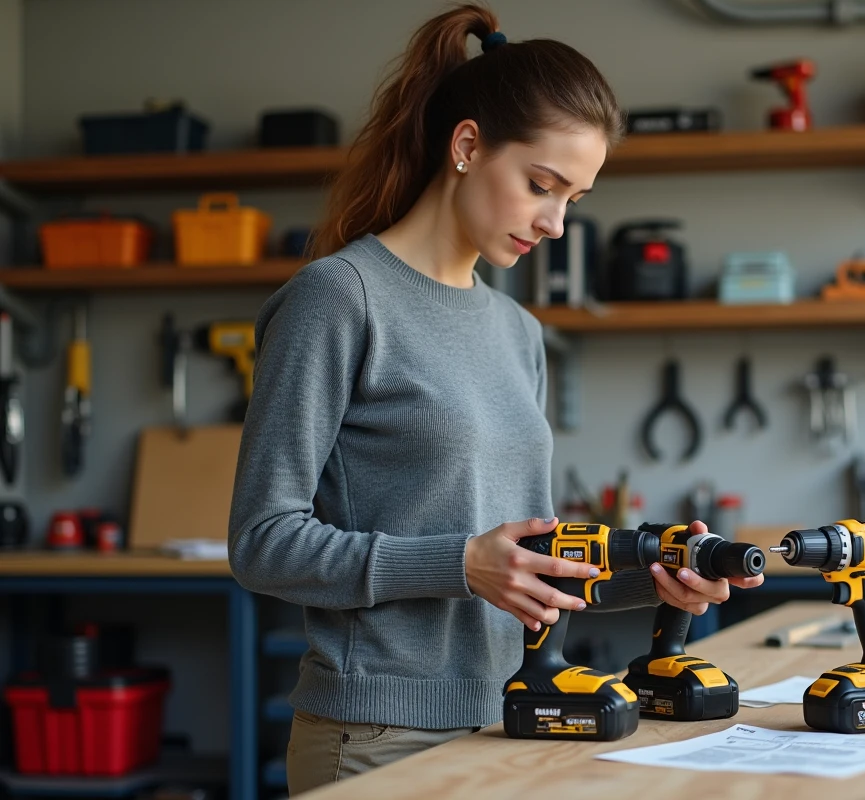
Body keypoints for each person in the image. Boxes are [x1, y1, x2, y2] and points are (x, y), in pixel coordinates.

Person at [227, 4, 764, 795]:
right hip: (376, 735)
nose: (554, 223)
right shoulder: (339, 299)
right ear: (468, 146)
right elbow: (264, 542)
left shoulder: (516, 329)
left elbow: (528, 566)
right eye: (541, 185)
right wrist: (461, 564)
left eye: (573, 199)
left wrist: (655, 573)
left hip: (509, 721)